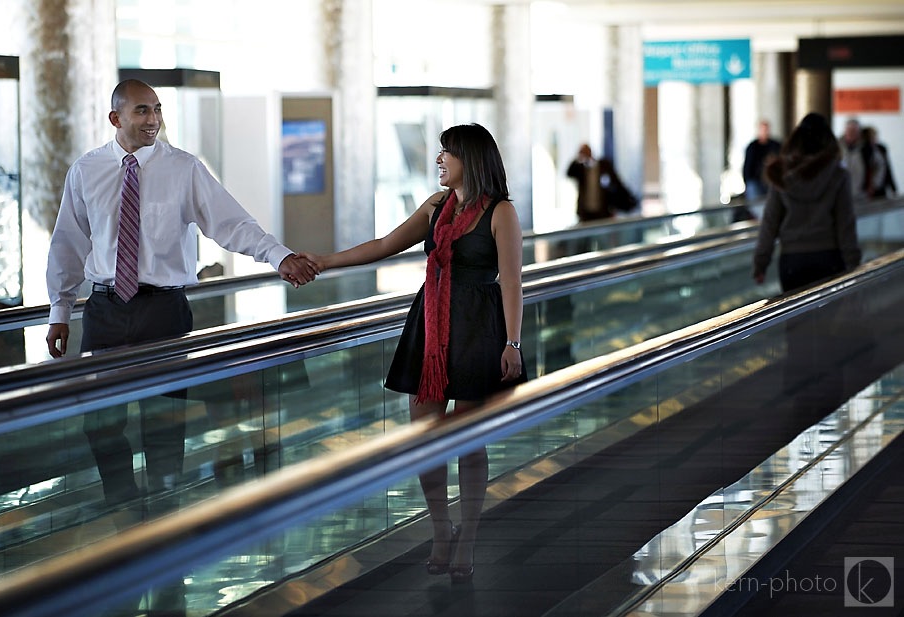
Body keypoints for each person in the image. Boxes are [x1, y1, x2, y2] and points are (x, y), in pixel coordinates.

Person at [45, 79, 318, 517]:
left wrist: (278, 256)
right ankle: (122, 505)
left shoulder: (184, 168)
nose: (152, 119)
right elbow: (68, 242)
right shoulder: (86, 170)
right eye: (141, 111)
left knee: (165, 419)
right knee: (101, 420)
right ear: (116, 118)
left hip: (164, 309)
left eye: (156, 109)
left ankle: (164, 507)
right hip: (105, 309)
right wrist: (60, 310)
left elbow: (231, 222)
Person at [301, 123, 527, 584]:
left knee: (467, 440)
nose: (439, 160)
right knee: (425, 437)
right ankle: (442, 529)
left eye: (447, 153)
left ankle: (468, 538)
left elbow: (512, 281)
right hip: (430, 324)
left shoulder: (501, 212)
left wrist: (512, 343)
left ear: (472, 158)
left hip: (477, 329)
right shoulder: (436, 207)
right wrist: (325, 261)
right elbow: (384, 246)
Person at [753, 112, 861, 293]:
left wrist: (760, 263)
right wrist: (853, 263)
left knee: (796, 319)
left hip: (792, 260)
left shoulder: (781, 174)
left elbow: (770, 222)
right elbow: (845, 223)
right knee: (829, 319)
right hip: (829, 258)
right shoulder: (838, 175)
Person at [566, 144, 637, 222]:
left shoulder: (604, 166)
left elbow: (617, 183)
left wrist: (630, 199)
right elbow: (569, 173)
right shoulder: (580, 168)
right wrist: (579, 157)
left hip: (603, 212)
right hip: (585, 214)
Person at [742, 119, 781, 204]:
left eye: (766, 129)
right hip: (756, 182)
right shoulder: (752, 147)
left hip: (772, 181)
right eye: (763, 129)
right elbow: (747, 169)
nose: (765, 132)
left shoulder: (776, 145)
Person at [862, 126, 897, 199]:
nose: (874, 138)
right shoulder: (863, 151)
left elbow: (887, 169)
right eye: (871, 137)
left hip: (880, 186)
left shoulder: (881, 149)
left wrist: (893, 188)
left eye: (874, 136)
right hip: (867, 189)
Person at [838, 118, 869, 202]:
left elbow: (879, 166)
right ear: (845, 131)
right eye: (850, 130)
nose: (852, 133)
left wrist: (874, 186)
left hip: (861, 195)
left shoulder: (866, 149)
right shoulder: (837, 147)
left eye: (854, 131)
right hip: (840, 194)